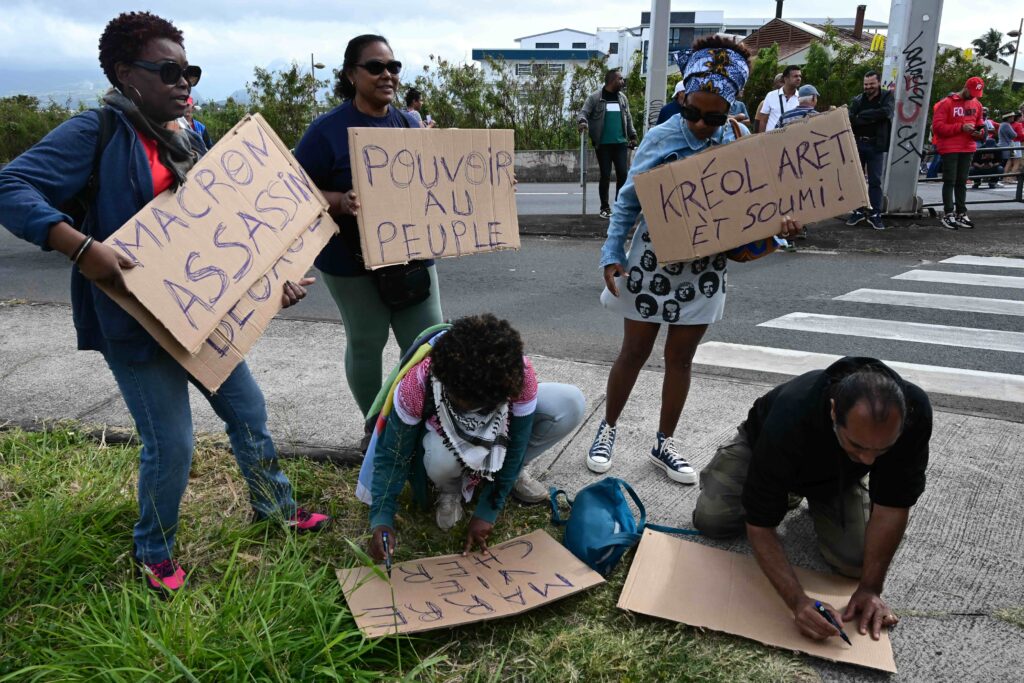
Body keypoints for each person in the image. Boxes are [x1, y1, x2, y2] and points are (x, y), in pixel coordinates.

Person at [0, 11, 328, 595]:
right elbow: (9, 186)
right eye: (169, 71)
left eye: (190, 70)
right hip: (134, 321)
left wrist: (273, 282)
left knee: (248, 413)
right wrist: (80, 248)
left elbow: (229, 234)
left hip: (208, 316)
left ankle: (276, 509)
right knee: (170, 443)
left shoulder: (190, 136)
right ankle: (154, 550)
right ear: (127, 74)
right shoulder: (92, 131)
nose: (185, 83)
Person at [587, 35, 803, 485]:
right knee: (634, 351)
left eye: (714, 116)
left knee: (681, 359)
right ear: (682, 97)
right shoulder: (660, 137)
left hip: (705, 270)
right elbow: (627, 203)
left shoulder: (741, 142)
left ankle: (664, 441)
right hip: (651, 264)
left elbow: (758, 207)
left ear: (731, 109)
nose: (703, 124)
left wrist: (780, 226)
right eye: (693, 112)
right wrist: (611, 254)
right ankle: (606, 430)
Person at [693, 358, 932, 643]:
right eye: (857, 444)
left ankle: (813, 493)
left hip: (838, 475)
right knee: (712, 520)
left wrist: (871, 588)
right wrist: (797, 602)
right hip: (761, 449)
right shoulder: (791, 413)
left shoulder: (914, 412)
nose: (869, 459)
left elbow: (894, 505)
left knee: (856, 562)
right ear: (833, 411)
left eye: (883, 449)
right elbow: (760, 526)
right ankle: (783, 491)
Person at [294, 35, 444, 429]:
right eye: (375, 67)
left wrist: (489, 186)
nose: (387, 75)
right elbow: (291, 191)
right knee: (367, 343)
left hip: (411, 252)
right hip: (350, 261)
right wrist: (339, 201)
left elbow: (436, 184)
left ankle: (408, 424)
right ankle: (374, 428)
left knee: (425, 345)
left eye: (393, 67)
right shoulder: (325, 131)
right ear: (350, 74)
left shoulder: (409, 125)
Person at [365, 314, 586, 558]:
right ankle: (450, 488)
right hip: (440, 442)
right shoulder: (418, 384)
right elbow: (393, 454)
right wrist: (382, 519)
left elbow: (517, 445)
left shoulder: (516, 374)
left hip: (500, 431)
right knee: (441, 458)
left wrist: (487, 512)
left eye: (483, 406)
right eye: (465, 405)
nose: (475, 413)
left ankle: (503, 477)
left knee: (569, 403)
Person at [578, 69, 639, 219]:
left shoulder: (622, 98)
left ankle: (619, 206)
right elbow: (583, 113)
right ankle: (604, 208)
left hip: (620, 143)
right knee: (605, 175)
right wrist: (582, 122)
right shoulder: (595, 98)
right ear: (612, 80)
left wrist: (632, 134)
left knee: (623, 174)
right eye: (620, 79)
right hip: (603, 144)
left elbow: (628, 117)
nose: (623, 81)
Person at [932, 77, 986, 230]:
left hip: (968, 146)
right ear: (966, 87)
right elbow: (938, 127)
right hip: (949, 147)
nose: (974, 95)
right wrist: (961, 127)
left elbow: (980, 122)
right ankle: (948, 213)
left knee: (962, 181)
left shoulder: (977, 104)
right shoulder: (946, 103)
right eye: (973, 92)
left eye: (978, 93)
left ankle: (961, 212)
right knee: (950, 180)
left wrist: (980, 132)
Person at [846, 71, 895, 231]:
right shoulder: (858, 99)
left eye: (871, 84)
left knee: (875, 180)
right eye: (866, 84)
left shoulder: (887, 96)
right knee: (856, 179)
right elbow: (852, 119)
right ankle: (858, 210)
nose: (868, 87)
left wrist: (864, 116)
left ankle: (875, 213)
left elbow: (886, 112)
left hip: (876, 144)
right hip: (859, 143)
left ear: (878, 83)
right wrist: (873, 116)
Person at [755, 64, 801, 132]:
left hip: (793, 138)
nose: (799, 78)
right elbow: (763, 120)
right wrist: (762, 140)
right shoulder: (771, 95)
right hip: (772, 138)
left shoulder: (801, 97)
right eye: (795, 76)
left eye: (800, 76)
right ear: (785, 78)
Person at [1001, 111, 1023, 177]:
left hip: (1011, 144)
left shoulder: (1005, 124)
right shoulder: (1018, 124)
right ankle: (1011, 177)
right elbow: (1019, 135)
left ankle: (1005, 177)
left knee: (1009, 161)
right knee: (1017, 162)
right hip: (1015, 144)